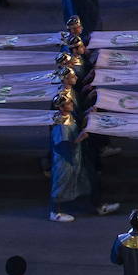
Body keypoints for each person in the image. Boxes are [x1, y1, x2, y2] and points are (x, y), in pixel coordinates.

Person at [49, 91, 118, 222]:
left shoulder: (69, 117)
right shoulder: (60, 125)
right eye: (68, 103)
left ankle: (96, 206)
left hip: (75, 156)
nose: (71, 105)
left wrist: (86, 116)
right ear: (61, 107)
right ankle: (55, 211)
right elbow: (63, 144)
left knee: (85, 181)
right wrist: (79, 138)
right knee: (61, 184)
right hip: (65, 161)